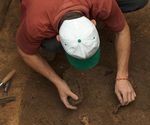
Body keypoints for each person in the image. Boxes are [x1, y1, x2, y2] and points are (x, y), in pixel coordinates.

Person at [16, 0, 148, 110]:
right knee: (50, 46)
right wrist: (58, 82)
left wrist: (122, 77)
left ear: (93, 22)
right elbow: (26, 52)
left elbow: (122, 29)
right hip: (42, 6)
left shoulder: (102, 2)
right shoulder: (35, 23)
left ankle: (111, 15)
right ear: (59, 38)